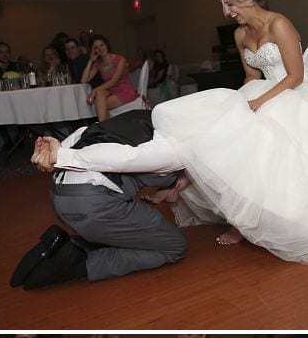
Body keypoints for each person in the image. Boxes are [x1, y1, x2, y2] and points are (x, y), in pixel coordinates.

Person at [34, 0, 308, 267]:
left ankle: (246, 215)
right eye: (224, 4)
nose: (227, 11)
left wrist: (256, 105)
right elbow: (251, 77)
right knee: (216, 131)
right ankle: (220, 207)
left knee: (259, 145)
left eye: (229, 3)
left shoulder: (280, 25)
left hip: (295, 94)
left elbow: (295, 76)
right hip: (261, 91)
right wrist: (238, 103)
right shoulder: (239, 34)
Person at [16, 108, 189, 290]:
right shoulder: (168, 148)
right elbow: (125, 160)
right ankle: (80, 261)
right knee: (174, 247)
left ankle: (67, 244)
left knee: (132, 228)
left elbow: (83, 133)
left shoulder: (138, 117)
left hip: (59, 195)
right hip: (93, 204)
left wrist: (52, 156)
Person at [81, 33, 140, 122]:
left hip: (125, 91)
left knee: (100, 104)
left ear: (106, 45)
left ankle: (103, 127)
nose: (100, 49)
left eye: (102, 45)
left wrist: (94, 91)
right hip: (111, 92)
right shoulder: (98, 64)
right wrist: (90, 60)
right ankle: (105, 127)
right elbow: (84, 80)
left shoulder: (120, 59)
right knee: (100, 94)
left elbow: (113, 81)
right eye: (96, 47)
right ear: (94, 50)